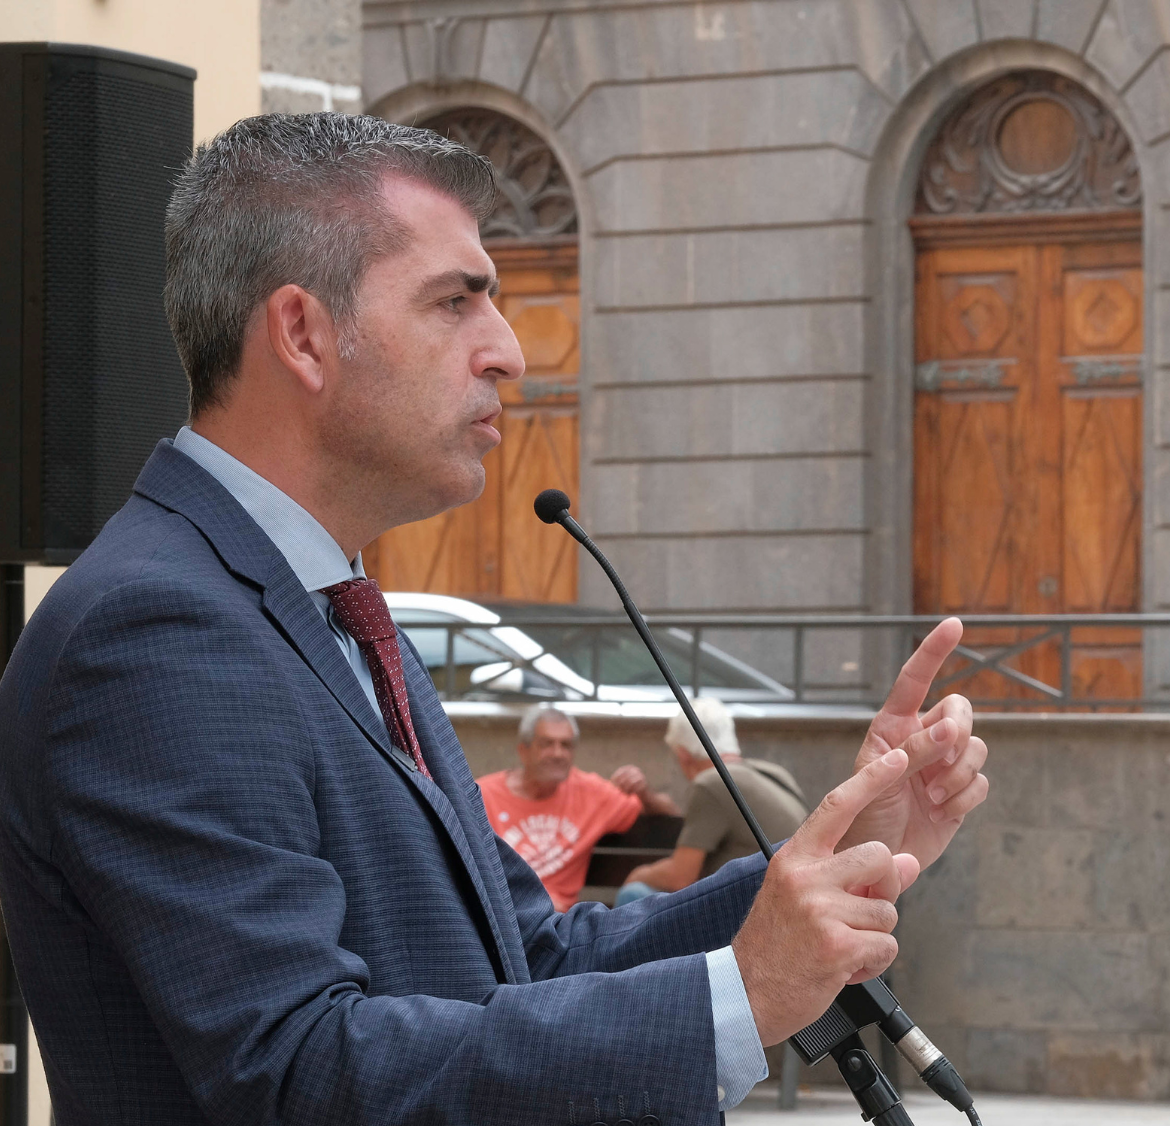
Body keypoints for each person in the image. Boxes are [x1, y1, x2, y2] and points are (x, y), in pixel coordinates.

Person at [0, 112, 990, 1124]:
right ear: (300, 334)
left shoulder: (333, 611)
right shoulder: (153, 633)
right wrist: (734, 1000)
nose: (509, 352)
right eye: (455, 303)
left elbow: (530, 960)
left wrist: (824, 868)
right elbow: (296, 1074)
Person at [476, 704, 683, 911]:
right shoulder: (482, 795)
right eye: (547, 744)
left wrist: (645, 793)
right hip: (498, 912)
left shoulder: (592, 794)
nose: (558, 753)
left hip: (554, 922)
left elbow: (672, 818)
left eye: (566, 745)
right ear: (524, 750)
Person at [617, 698, 809, 904]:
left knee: (634, 894)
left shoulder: (712, 782)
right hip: (796, 898)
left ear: (683, 755)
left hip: (756, 909)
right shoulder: (774, 773)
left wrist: (638, 874)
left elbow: (680, 877)